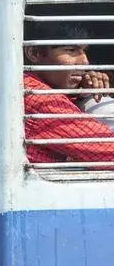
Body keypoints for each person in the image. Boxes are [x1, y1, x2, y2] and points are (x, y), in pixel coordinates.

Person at [24, 21, 114, 165]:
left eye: (84, 50)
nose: (85, 62)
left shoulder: (28, 85)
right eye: (71, 50)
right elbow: (108, 152)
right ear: (33, 53)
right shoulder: (40, 100)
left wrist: (82, 91)